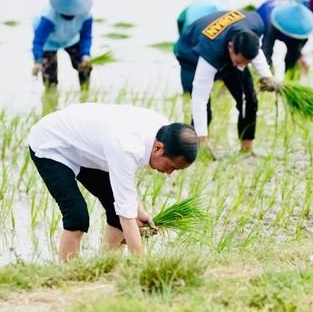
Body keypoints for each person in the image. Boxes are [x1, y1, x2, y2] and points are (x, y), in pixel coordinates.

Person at [27, 103, 198, 262]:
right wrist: (145, 269)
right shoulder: (126, 148)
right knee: (76, 215)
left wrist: (137, 209)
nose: (169, 173)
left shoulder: (163, 129)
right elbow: (127, 218)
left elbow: (124, 193)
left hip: (90, 149)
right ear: (158, 148)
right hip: (51, 144)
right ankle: (68, 276)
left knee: (118, 212)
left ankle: (106, 269)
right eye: (171, 167)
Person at [173, 10, 280, 155]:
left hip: (226, 51)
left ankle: (247, 149)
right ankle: (198, 150)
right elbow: (199, 99)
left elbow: (255, 50)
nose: (241, 66)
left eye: (246, 63)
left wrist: (267, 76)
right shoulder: (210, 53)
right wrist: (202, 137)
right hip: (191, 54)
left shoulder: (255, 24)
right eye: (238, 62)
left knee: (249, 100)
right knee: (206, 108)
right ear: (230, 47)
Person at [31, 0, 94, 90]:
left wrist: (85, 54)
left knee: (85, 67)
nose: (69, 14)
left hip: (71, 39)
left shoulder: (86, 16)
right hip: (49, 43)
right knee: (49, 78)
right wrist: (37, 61)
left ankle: (85, 94)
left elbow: (86, 37)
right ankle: (51, 101)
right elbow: (38, 41)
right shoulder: (48, 18)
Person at [256, 0, 313, 72]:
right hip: (271, 21)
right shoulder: (271, 21)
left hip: (292, 26)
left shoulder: (304, 28)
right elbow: (266, 49)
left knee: (292, 59)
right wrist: (267, 73)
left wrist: (299, 56)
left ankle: (289, 73)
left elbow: (296, 46)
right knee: (266, 59)